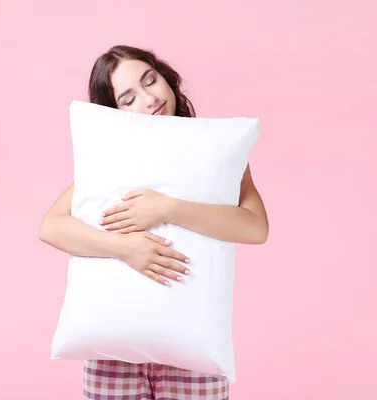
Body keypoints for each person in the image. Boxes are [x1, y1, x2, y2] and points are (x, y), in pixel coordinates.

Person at [38, 44, 269, 400]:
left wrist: (167, 208)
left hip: (192, 350)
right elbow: (51, 226)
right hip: (113, 350)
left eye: (150, 81)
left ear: (167, 78)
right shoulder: (111, 158)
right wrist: (125, 248)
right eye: (128, 99)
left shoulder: (213, 150)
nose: (148, 99)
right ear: (114, 113)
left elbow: (255, 227)